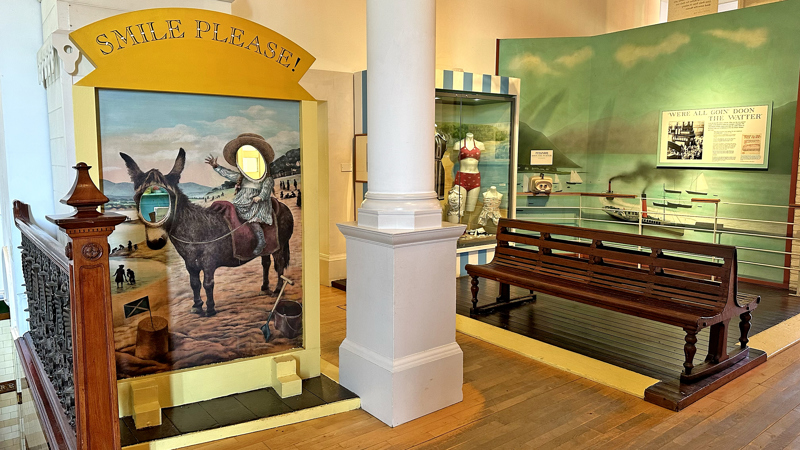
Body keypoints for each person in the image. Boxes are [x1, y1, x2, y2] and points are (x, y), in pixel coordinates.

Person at [206, 133, 276, 256]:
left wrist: (259, 197)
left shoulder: (266, 178)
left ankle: (261, 241)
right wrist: (216, 167)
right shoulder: (243, 176)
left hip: (257, 204)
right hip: (241, 201)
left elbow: (266, 189)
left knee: (253, 220)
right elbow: (229, 174)